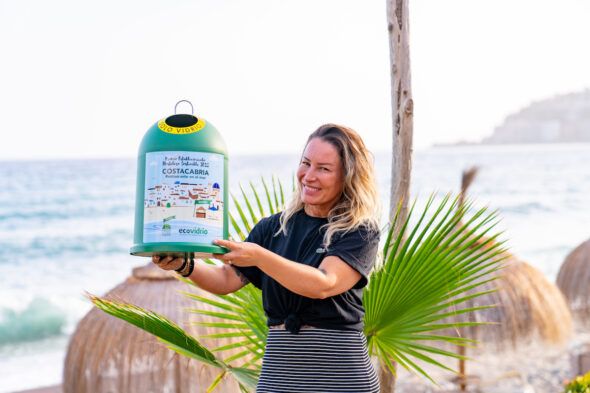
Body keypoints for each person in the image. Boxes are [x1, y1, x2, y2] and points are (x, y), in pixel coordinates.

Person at [153, 124, 381, 393]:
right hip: (279, 372)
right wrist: (184, 265)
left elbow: (324, 283)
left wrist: (260, 256)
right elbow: (227, 279)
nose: (308, 175)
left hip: (341, 377)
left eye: (324, 168)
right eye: (306, 163)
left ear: (348, 177)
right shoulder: (272, 228)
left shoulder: (359, 231)